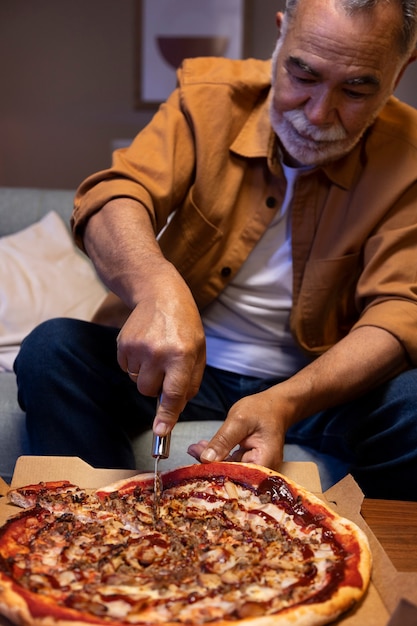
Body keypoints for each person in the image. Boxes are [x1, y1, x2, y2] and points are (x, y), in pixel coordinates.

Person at [15, 0, 417, 500]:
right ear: (280, 35)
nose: (318, 113)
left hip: (319, 382)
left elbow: (399, 311)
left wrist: (285, 401)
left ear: (400, 71)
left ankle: (355, 559)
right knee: (51, 353)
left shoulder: (410, 152)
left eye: (356, 88)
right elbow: (112, 197)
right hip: (185, 363)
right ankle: (103, 527)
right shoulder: (208, 98)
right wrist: (158, 288)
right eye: (302, 74)